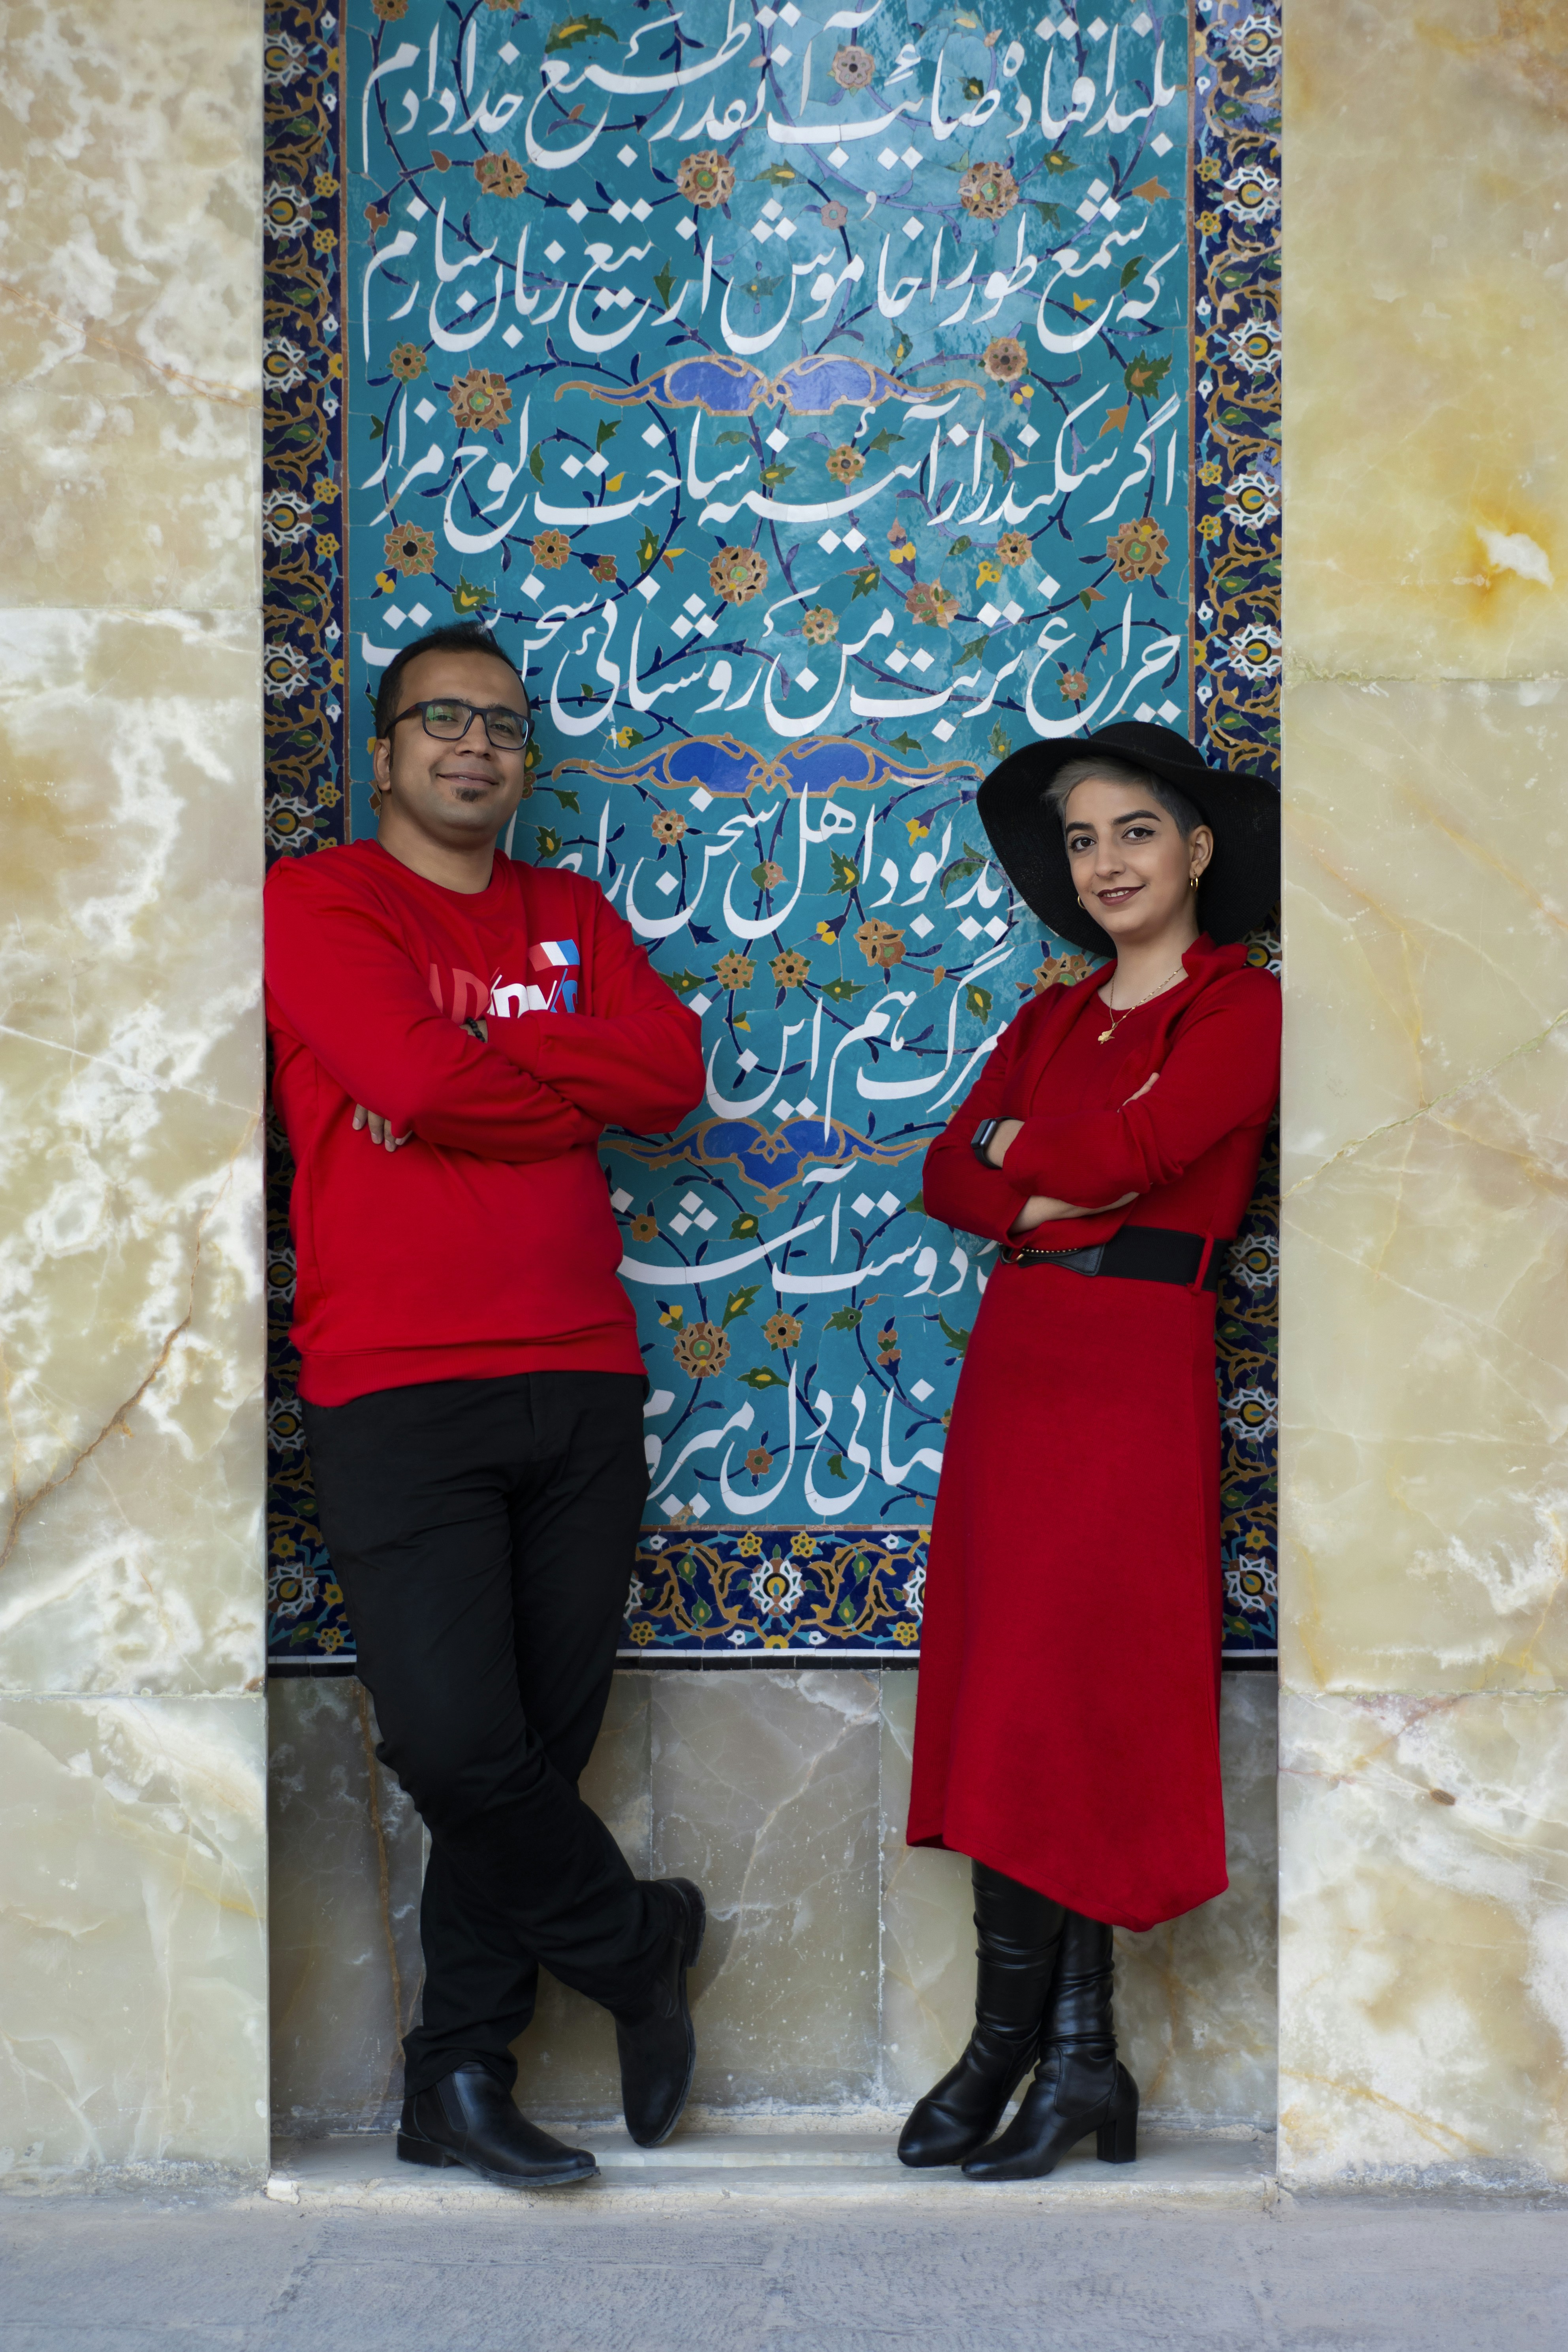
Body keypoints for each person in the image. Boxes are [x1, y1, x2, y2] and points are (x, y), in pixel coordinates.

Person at [264, 621, 708, 2189]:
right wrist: (520, 1077)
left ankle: (456, 2077)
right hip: (396, 1384)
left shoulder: (570, 913)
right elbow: (416, 1075)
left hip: (582, 1374)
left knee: (534, 1745)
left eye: (506, 728)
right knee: (458, 1747)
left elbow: (668, 1078)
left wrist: (485, 1051)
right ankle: (638, 1941)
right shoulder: (316, 901)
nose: (476, 746)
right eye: (442, 720)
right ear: (382, 753)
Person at [899, 720, 1281, 2183]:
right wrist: (1032, 1174)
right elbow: (946, 1171)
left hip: (1131, 1373)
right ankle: (1063, 2060)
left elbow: (1148, 1154)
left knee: (1085, 1694)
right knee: (1014, 1697)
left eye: (1134, 830)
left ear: (1193, 849)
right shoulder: (1052, 1017)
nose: (1105, 861)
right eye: (1080, 840)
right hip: (1021, 1367)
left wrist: (1027, 1159)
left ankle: (1029, 2055)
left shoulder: (1240, 1008)